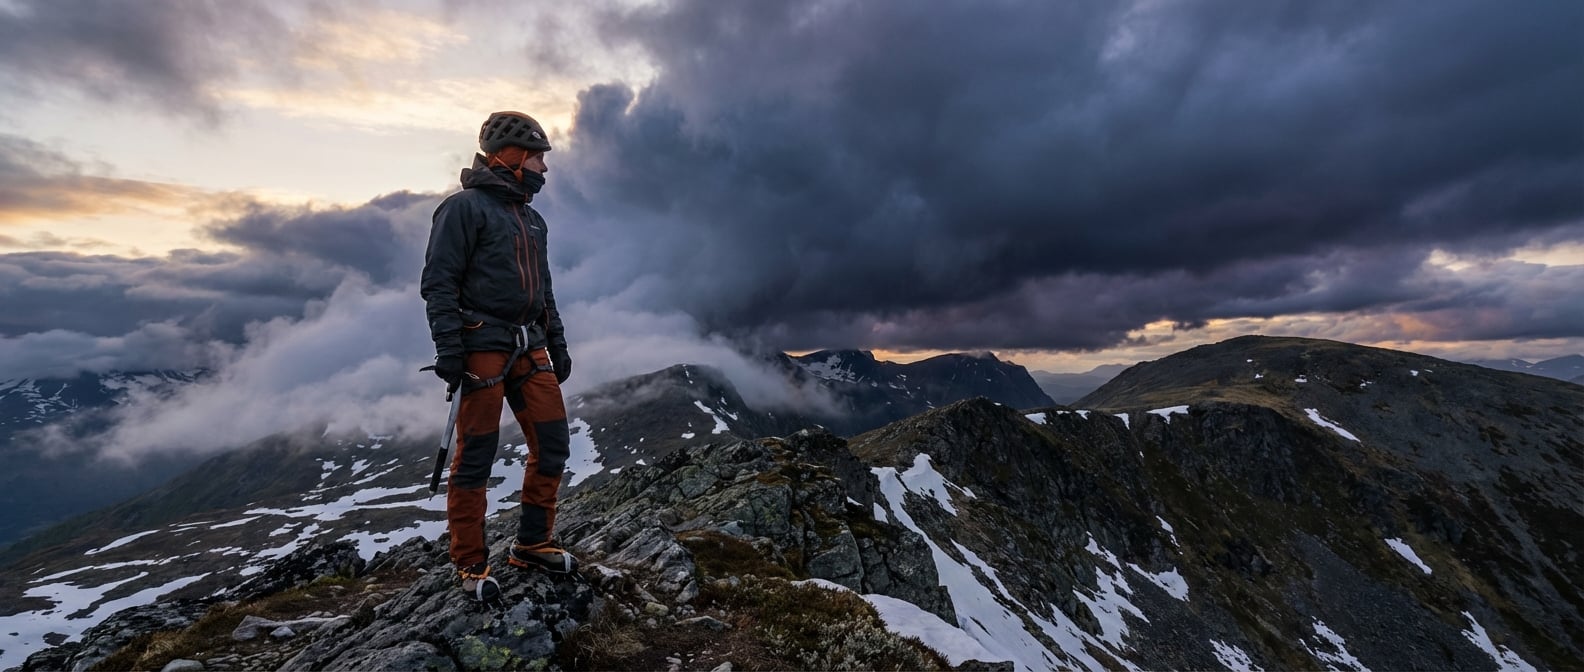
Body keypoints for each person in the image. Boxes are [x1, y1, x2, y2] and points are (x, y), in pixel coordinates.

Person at [421, 111, 577, 602]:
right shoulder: (462, 209)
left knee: (552, 446)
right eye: (536, 157)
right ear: (507, 156)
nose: (543, 169)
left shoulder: (533, 220)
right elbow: (438, 284)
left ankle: (531, 544)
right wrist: (449, 347)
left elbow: (544, 290)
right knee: (476, 460)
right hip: (481, 348)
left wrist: (557, 342)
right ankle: (469, 563)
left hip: (529, 346)